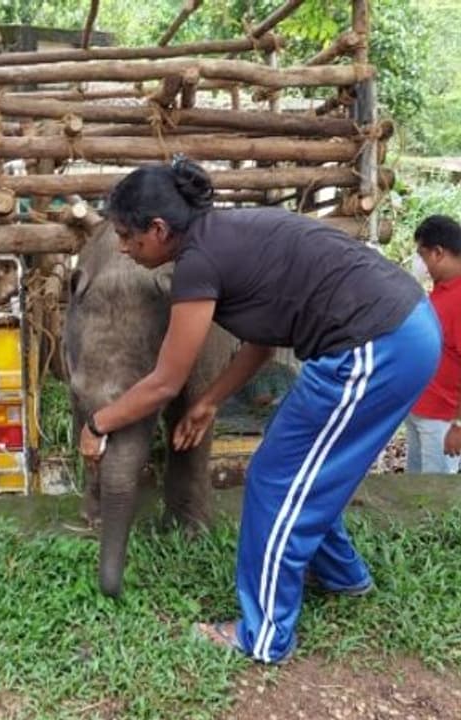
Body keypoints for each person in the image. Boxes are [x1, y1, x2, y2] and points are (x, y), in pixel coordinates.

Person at [77, 158, 439, 664]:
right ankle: (344, 577)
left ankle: (263, 636)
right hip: (402, 332)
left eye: (126, 237)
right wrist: (208, 402)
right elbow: (261, 341)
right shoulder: (222, 235)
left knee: (273, 479)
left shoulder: (198, 263)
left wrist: (98, 423)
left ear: (158, 230)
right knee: (308, 472)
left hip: (373, 347)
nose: (122, 248)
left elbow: (163, 382)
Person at [405, 215, 461, 473]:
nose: (421, 263)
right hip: (421, 408)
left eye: (422, 254)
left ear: (438, 252)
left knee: (436, 494)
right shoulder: (442, 289)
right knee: (416, 488)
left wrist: (458, 424)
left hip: (442, 419)